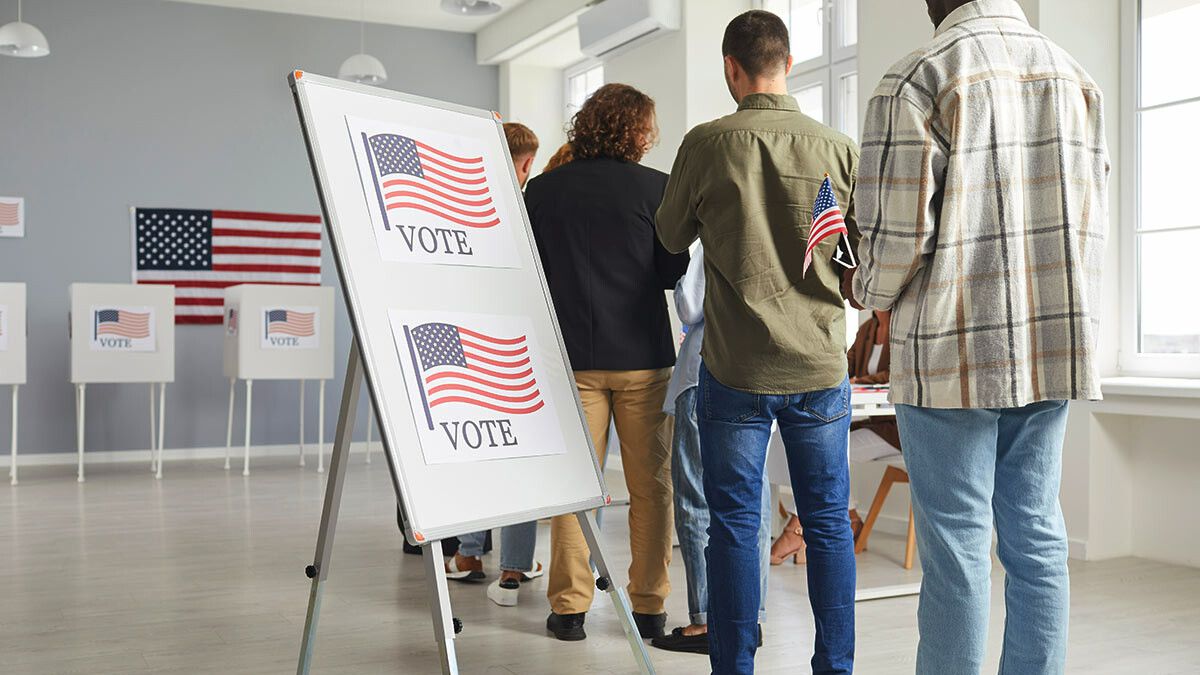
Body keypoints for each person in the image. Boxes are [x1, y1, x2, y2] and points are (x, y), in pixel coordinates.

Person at [849, 1, 1109, 673]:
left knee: (959, 547)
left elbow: (899, 241)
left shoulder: (919, 77)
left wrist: (863, 288)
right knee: (1038, 534)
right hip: (1054, 342)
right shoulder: (1074, 75)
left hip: (949, 348)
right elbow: (1090, 217)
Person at [656, 10, 859, 674]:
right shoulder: (837, 147)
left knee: (735, 525)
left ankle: (734, 667)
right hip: (820, 363)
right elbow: (859, 260)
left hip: (735, 366)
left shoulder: (706, 144)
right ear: (789, 62)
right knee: (827, 524)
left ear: (731, 68)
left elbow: (667, 242)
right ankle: (834, 666)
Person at [524, 84, 689, 642]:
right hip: (643, 357)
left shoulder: (542, 192)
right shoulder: (656, 189)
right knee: (651, 486)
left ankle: (569, 609)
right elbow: (672, 273)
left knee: (575, 487)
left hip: (569, 358)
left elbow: (531, 275)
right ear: (638, 132)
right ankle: (648, 608)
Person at [651, 243, 772, 655]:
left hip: (707, 370)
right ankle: (749, 616)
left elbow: (690, 307)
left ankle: (706, 619)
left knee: (698, 498)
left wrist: (684, 274)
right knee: (754, 498)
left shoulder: (717, 231)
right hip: (763, 372)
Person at [444, 122, 546, 607]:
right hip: (516, 345)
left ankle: (468, 554)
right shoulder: (530, 210)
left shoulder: (462, 204)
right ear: (525, 162)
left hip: (468, 339)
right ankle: (513, 566)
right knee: (518, 456)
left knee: (477, 449)